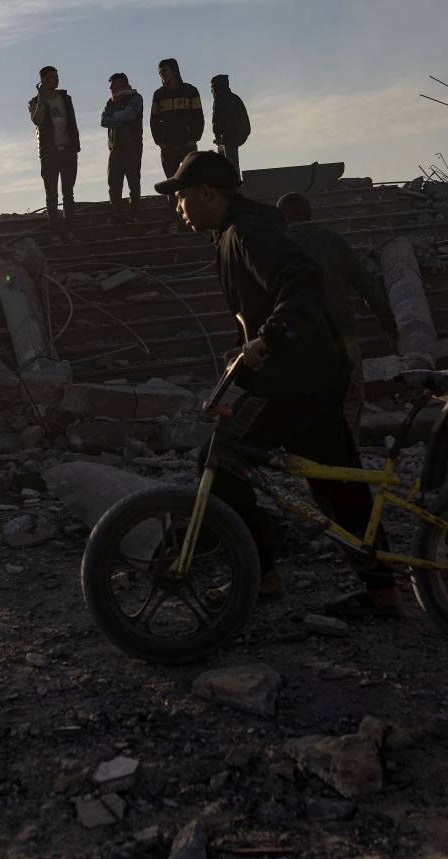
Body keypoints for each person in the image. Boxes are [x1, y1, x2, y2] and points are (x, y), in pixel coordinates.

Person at [156, 151, 399, 619]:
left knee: (224, 460)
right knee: (336, 483)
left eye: (182, 195)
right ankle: (383, 592)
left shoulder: (249, 230)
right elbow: (263, 303)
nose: (178, 205)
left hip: (295, 382)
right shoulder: (234, 231)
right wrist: (249, 346)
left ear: (207, 192)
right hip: (312, 376)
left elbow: (301, 279)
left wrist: (271, 339)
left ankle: (260, 578)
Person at [276, 192, 398, 439]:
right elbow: (366, 285)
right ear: (310, 213)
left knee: (307, 401)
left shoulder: (277, 248)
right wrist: (387, 322)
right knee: (351, 399)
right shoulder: (335, 242)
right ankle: (347, 456)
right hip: (342, 338)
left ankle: (317, 463)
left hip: (299, 342)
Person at [27, 65, 80, 242]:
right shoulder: (34, 102)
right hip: (49, 153)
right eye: (51, 77)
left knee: (68, 194)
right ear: (43, 80)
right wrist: (41, 98)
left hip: (68, 152)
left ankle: (70, 230)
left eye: (57, 76)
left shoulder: (65, 98)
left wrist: (75, 147)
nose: (56, 79)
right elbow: (38, 119)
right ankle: (55, 233)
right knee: (52, 196)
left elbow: (71, 122)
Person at [150, 58, 203, 226]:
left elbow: (198, 116)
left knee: (192, 181)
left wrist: (194, 137)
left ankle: (196, 215)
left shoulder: (191, 91)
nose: (162, 75)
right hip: (168, 147)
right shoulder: (158, 95)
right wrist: (160, 142)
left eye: (165, 70)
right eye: (160, 72)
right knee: (172, 184)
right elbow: (154, 120)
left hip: (187, 145)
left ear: (174, 71)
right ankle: (175, 220)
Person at [101, 72, 144, 222]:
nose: (111, 87)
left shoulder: (136, 98)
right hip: (114, 147)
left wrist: (115, 118)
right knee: (113, 182)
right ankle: (116, 212)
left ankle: (135, 212)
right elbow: (103, 121)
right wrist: (120, 119)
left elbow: (130, 114)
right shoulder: (110, 102)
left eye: (114, 84)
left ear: (124, 84)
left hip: (131, 145)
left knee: (133, 180)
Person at [211, 74, 251, 173]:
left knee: (229, 161)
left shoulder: (219, 97)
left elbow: (217, 117)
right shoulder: (235, 97)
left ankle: (234, 182)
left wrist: (217, 136)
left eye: (211, 88)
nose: (211, 91)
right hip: (241, 133)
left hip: (230, 135)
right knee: (232, 159)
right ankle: (235, 179)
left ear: (215, 87)